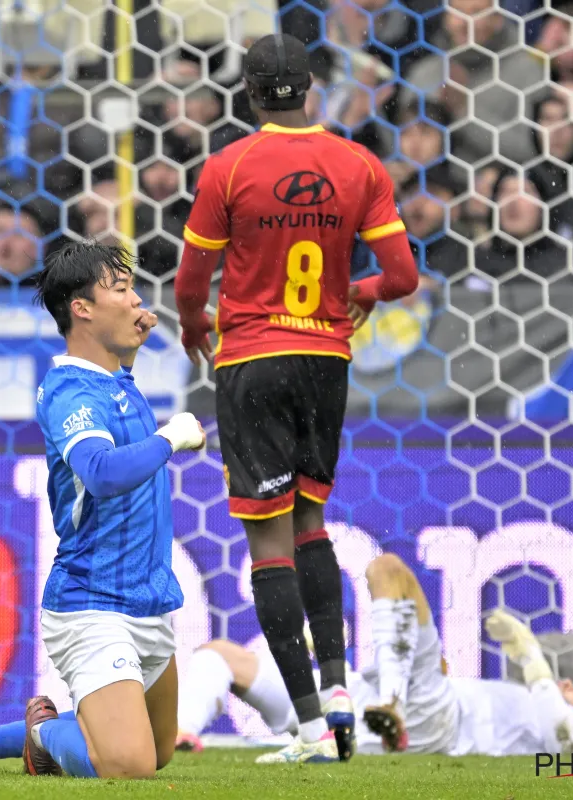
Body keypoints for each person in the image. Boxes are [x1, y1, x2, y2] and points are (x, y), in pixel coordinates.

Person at [172, 32, 419, 764]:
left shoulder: (231, 166)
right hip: (325, 359)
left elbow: (191, 282)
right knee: (313, 517)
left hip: (253, 356)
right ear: (309, 88)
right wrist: (359, 292)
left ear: (249, 94)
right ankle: (340, 689)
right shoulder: (357, 163)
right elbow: (402, 275)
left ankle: (310, 725)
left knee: (266, 537)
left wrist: (195, 325)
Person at [0, 242, 206, 779]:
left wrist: (129, 353)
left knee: (158, 751)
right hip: (92, 603)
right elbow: (100, 472)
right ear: (81, 308)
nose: (136, 301)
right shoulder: (69, 393)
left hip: (148, 598)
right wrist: (172, 436)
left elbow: (117, 399)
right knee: (128, 765)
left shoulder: (114, 379)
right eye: (120, 290)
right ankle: (42, 736)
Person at [174, 553, 573, 758]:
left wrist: (533, 658)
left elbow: (570, 737)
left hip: (433, 720)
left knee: (386, 570)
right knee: (221, 654)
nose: (572, 690)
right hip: (353, 715)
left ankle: (392, 702)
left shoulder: (564, 731)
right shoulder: (517, 705)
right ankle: (183, 734)